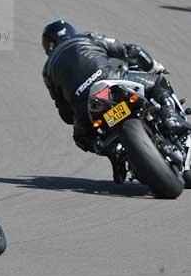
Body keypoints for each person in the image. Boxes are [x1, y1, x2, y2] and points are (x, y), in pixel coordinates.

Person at [41, 20, 189, 181]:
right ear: (71, 31)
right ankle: (170, 117)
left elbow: (64, 113)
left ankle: (115, 154)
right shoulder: (87, 37)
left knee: (82, 138)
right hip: (110, 79)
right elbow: (131, 50)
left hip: (86, 106)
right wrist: (153, 66)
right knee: (158, 82)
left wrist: (77, 112)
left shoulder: (47, 70)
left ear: (49, 45)